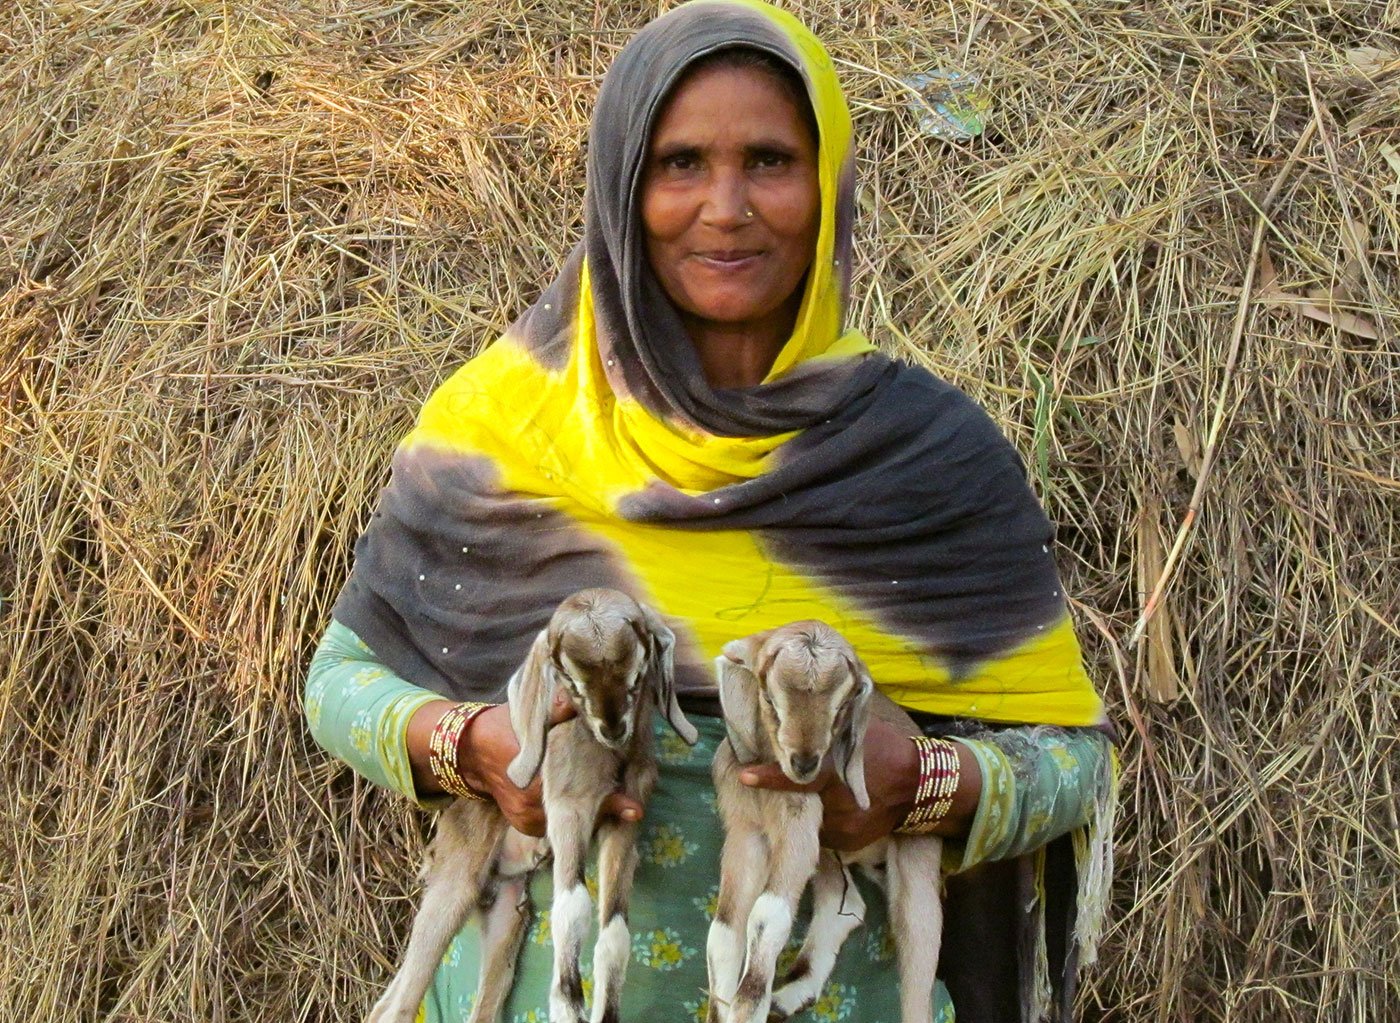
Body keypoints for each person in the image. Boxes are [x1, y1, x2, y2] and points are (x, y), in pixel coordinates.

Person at [305, 1, 1116, 1020]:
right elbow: (335, 684)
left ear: (826, 185)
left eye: (769, 161)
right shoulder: (499, 423)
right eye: (679, 163)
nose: (724, 207)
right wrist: (463, 747)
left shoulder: (926, 454)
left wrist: (924, 778)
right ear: (618, 187)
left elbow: (1073, 761)